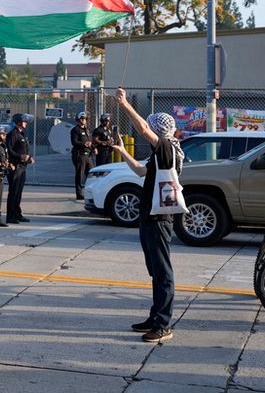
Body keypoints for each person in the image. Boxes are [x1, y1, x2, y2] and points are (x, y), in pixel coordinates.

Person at [111, 87, 181, 343]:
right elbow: (141, 172)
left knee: (163, 273)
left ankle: (163, 325)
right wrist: (122, 151)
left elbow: (142, 130)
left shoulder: (167, 149)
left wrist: (125, 103)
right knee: (155, 271)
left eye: (153, 128)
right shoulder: (159, 155)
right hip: (149, 217)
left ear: (159, 131)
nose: (148, 132)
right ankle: (155, 317)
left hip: (160, 220)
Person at [5, 113, 35, 224]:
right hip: (15, 167)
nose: (26, 123)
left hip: (22, 166)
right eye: (24, 121)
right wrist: (20, 157)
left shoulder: (22, 134)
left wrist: (29, 157)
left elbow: (24, 150)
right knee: (13, 191)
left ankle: (17, 214)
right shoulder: (13, 134)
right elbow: (9, 150)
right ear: (18, 122)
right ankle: (10, 216)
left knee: (19, 192)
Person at [70, 112, 94, 200]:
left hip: (88, 156)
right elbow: (74, 142)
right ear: (78, 120)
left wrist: (93, 148)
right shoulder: (75, 130)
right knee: (80, 175)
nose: (84, 120)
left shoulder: (86, 130)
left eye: (85, 118)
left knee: (91, 175)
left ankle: (90, 193)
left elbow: (90, 142)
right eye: (82, 118)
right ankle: (79, 194)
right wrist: (84, 144)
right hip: (80, 155)